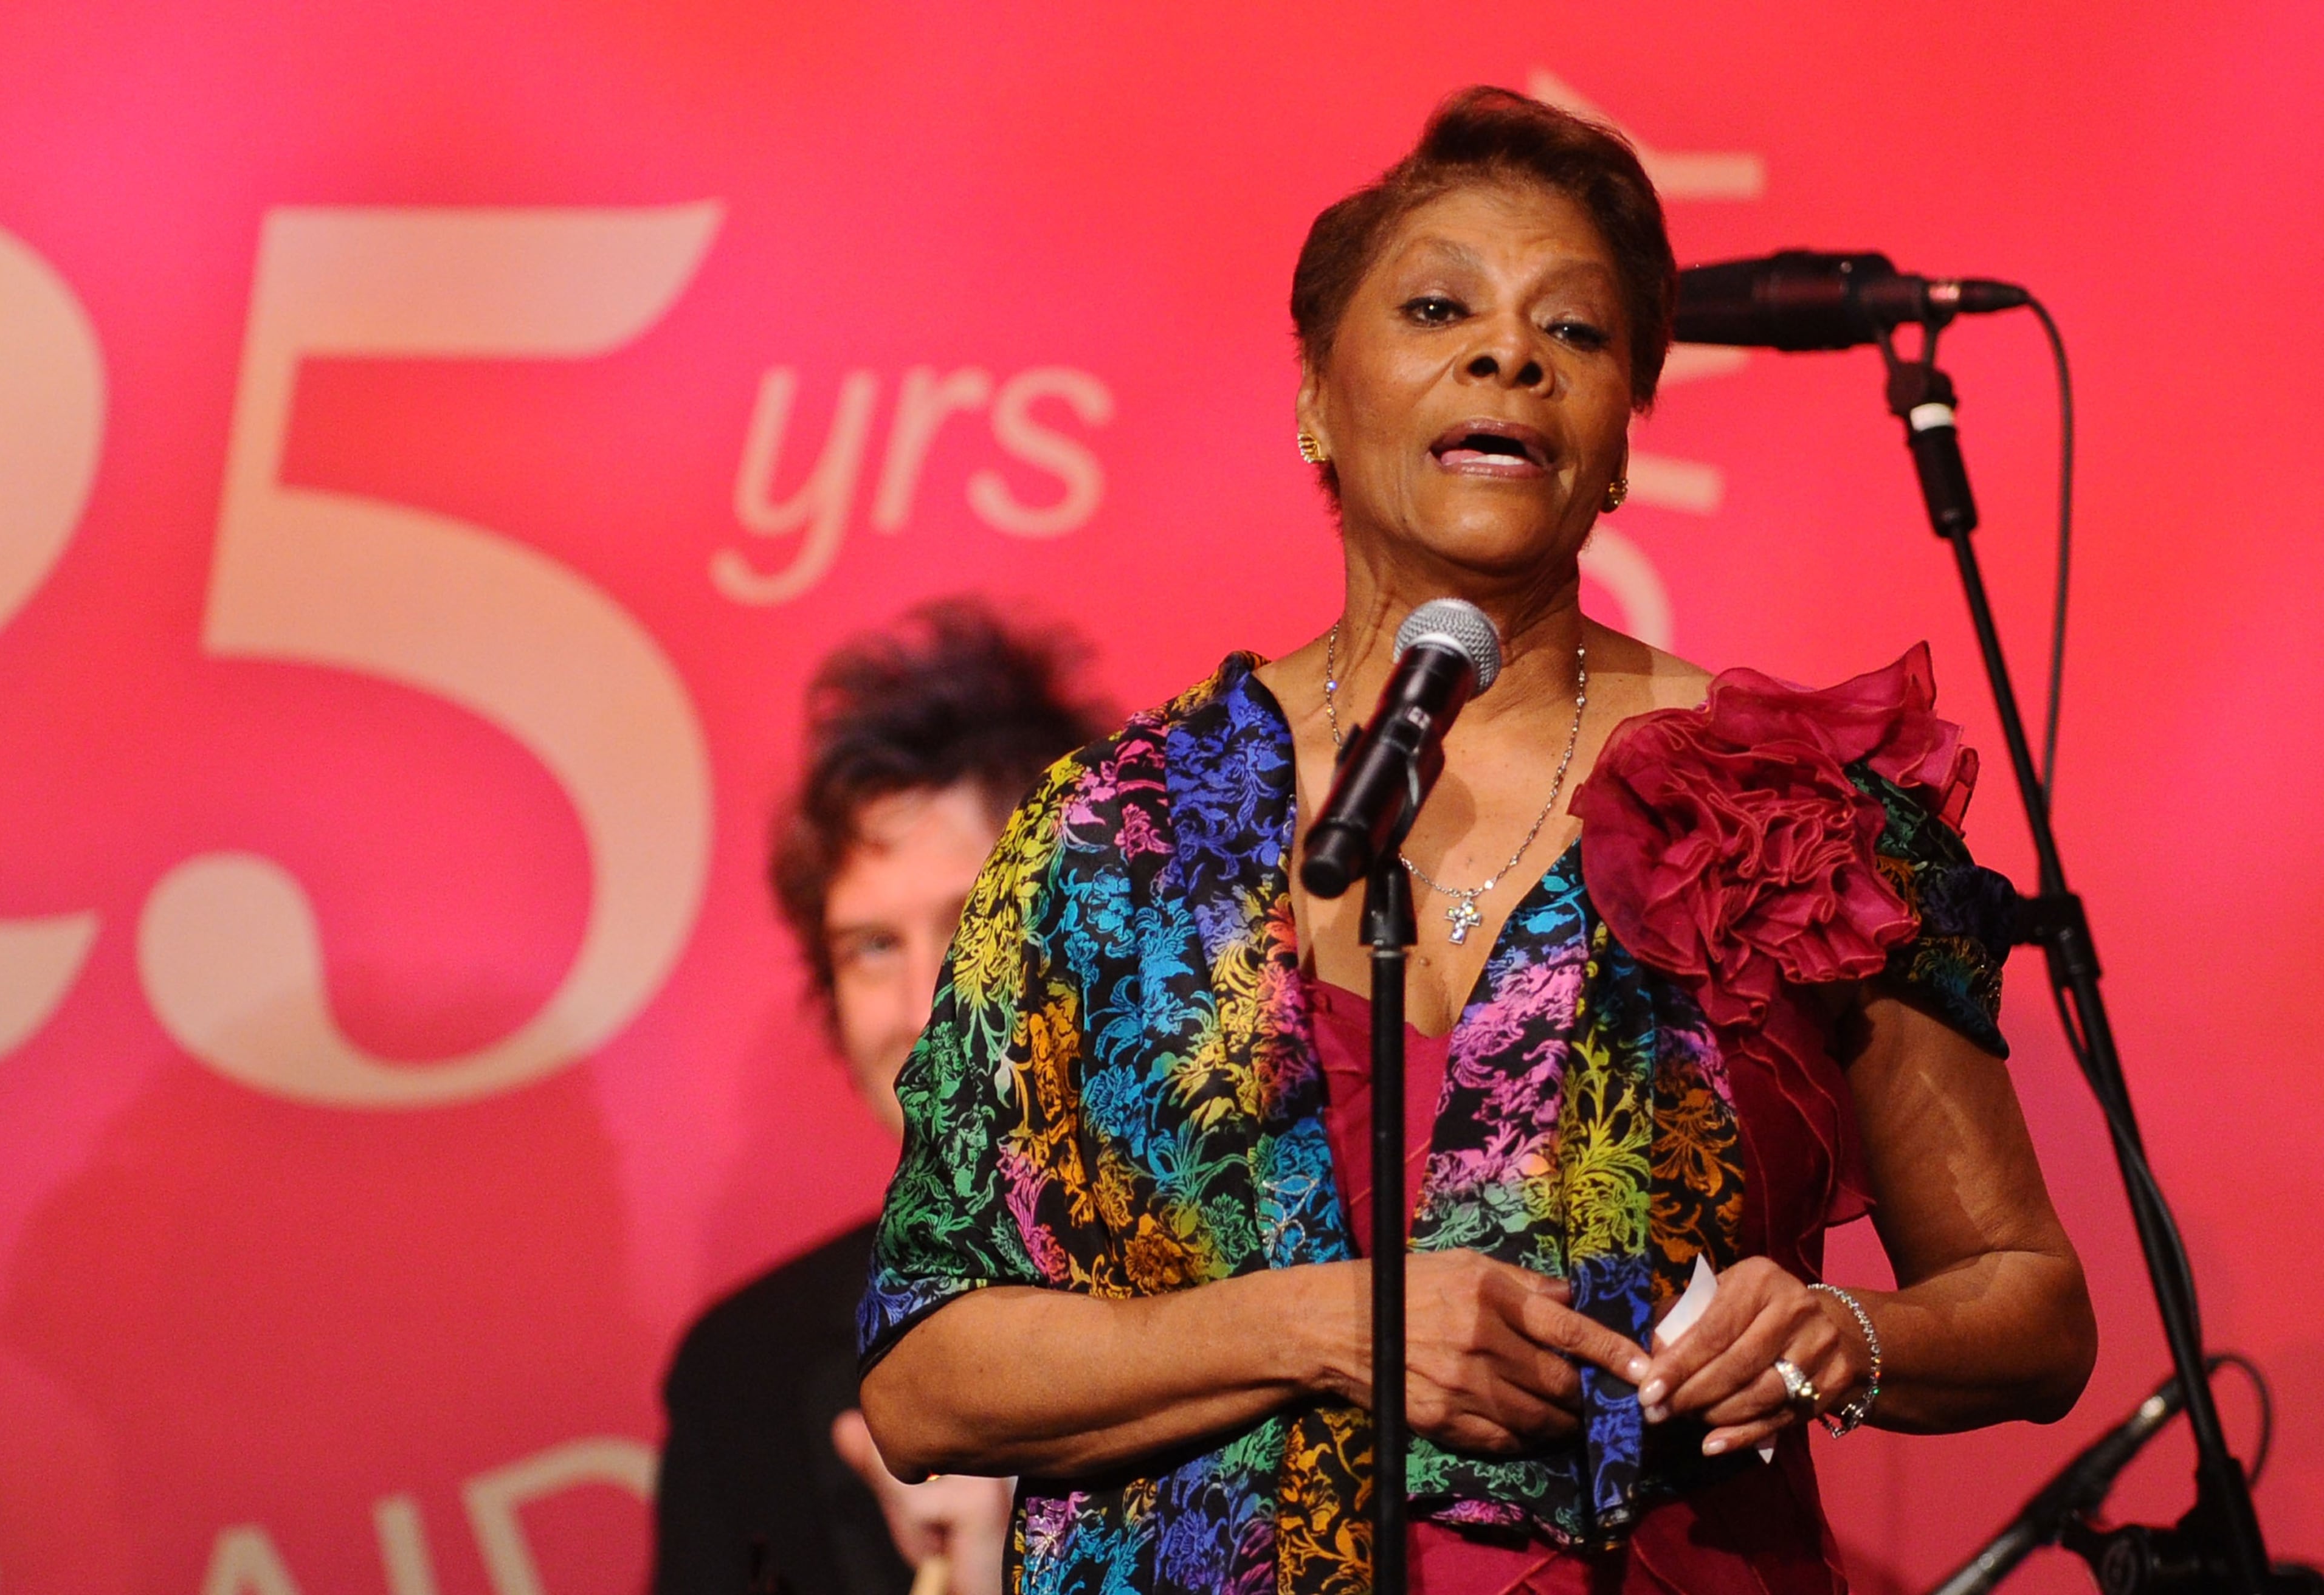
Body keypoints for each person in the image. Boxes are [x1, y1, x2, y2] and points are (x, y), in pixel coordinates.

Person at [853, 88, 2098, 1593]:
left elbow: (2030, 1303)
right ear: (1317, 399)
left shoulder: (1797, 807)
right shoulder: (1117, 838)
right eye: (1440, 307)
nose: (1510, 353)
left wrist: (1853, 1334)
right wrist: (1328, 1326)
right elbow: (926, 1375)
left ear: (1620, 446)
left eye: (1574, 334)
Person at [653, 601, 1111, 1595]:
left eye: (969, 925)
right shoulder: (748, 1375)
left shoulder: (1274, 1303)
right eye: (872, 948)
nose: (921, 1007)